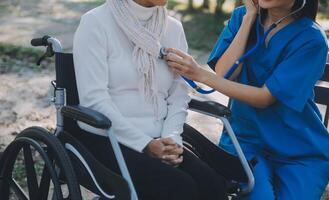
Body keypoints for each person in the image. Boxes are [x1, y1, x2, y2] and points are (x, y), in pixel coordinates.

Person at [165, 0, 329, 199]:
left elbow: (264, 98)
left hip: (299, 150)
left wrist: (199, 74)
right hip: (244, 141)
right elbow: (225, 73)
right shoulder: (242, 16)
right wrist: (249, 19)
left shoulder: (311, 39)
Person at [72, 0, 227, 199]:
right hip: (108, 137)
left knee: (213, 186)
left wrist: (172, 138)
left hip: (160, 136)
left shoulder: (172, 28)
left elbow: (178, 96)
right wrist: (145, 144)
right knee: (180, 187)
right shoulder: (96, 22)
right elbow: (94, 100)